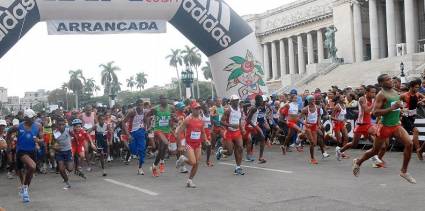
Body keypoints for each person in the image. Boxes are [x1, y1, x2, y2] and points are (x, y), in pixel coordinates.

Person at [352, 74, 416, 184]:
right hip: (384, 126)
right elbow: (375, 113)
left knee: (409, 144)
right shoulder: (381, 95)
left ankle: (404, 171)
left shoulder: (395, 92)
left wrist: (400, 109)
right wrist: (392, 108)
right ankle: (358, 161)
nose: (391, 81)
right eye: (387, 80)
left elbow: (395, 106)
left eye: (390, 78)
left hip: (396, 125)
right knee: (375, 151)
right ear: (382, 83)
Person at [7, 109, 43, 203]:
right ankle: (25, 189)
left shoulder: (38, 126)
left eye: (34, 117)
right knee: (32, 166)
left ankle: (24, 189)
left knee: (30, 171)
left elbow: (42, 138)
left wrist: (39, 141)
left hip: (32, 151)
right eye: (31, 118)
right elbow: (9, 132)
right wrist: (9, 145)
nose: (33, 119)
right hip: (21, 151)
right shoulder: (19, 126)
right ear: (26, 118)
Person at [337, 85, 378, 162]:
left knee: (376, 139)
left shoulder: (373, 100)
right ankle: (339, 150)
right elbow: (367, 111)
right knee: (354, 144)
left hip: (368, 124)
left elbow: (373, 111)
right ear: (367, 92)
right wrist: (375, 102)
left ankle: (373, 155)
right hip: (361, 125)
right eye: (372, 92)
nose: (374, 94)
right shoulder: (362, 99)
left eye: (375, 92)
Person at [176, 101, 210, 188]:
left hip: (198, 144)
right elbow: (179, 132)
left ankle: (190, 181)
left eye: (199, 108)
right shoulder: (188, 120)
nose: (198, 110)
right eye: (196, 109)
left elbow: (202, 132)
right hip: (189, 144)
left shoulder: (201, 119)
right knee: (193, 162)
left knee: (196, 163)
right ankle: (183, 159)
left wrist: (205, 140)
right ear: (191, 109)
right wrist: (180, 145)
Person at [216, 95, 246, 175]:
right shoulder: (228, 110)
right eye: (235, 100)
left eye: (237, 100)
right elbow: (221, 121)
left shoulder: (240, 110)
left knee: (240, 148)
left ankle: (238, 167)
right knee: (229, 152)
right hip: (229, 132)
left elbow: (239, 121)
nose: (236, 101)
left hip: (237, 132)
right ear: (231, 102)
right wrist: (231, 125)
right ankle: (221, 151)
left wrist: (242, 128)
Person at [148, 95, 175, 177]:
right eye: (162, 99)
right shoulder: (155, 109)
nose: (164, 100)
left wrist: (173, 121)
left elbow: (173, 119)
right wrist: (148, 125)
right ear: (159, 100)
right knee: (166, 143)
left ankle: (156, 165)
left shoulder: (171, 108)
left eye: (165, 98)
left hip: (167, 130)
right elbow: (147, 116)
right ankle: (161, 162)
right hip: (158, 130)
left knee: (162, 149)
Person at [122, 99, 148, 175]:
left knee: (142, 150)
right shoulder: (132, 112)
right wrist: (128, 135)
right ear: (136, 105)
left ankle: (140, 168)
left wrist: (145, 129)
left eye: (142, 105)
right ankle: (132, 152)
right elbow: (123, 122)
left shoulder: (144, 111)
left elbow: (145, 120)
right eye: (139, 105)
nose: (141, 107)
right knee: (133, 151)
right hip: (132, 133)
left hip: (141, 132)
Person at [53, 118, 75, 189]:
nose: (61, 126)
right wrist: (55, 146)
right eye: (60, 125)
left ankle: (67, 164)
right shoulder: (55, 133)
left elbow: (75, 136)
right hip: (59, 152)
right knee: (61, 169)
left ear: (65, 125)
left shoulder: (68, 130)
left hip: (68, 151)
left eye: (63, 125)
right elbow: (52, 144)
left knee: (70, 169)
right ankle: (67, 182)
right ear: (57, 125)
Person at [301, 95, 321, 164]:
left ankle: (301, 136)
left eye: (313, 99)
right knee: (312, 142)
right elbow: (298, 118)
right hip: (308, 126)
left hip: (314, 126)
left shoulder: (317, 107)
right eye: (311, 100)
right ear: (308, 101)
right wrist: (305, 124)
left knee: (314, 144)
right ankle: (312, 158)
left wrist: (319, 124)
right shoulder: (305, 109)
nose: (313, 101)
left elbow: (318, 116)